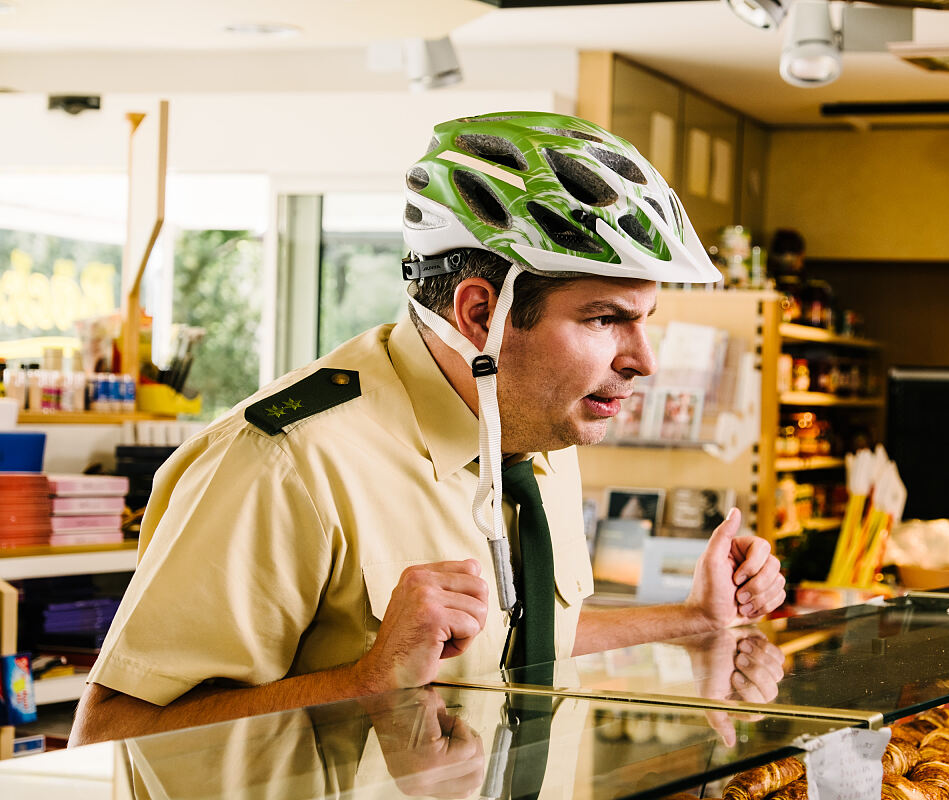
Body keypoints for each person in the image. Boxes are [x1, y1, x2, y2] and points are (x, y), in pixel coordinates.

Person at [70, 111, 786, 746]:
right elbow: (112, 730)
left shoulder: (536, 433)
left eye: (644, 320)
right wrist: (365, 683)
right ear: (481, 315)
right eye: (605, 319)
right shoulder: (287, 461)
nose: (643, 362)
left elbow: (522, 642)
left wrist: (692, 617)